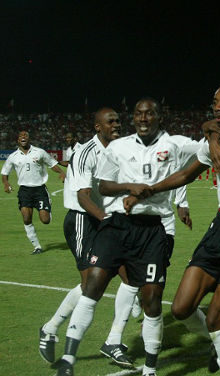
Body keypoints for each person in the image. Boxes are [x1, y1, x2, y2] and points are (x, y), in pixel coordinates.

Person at [123, 81, 220, 376]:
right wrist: (147, 190)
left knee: (216, 319)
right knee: (181, 308)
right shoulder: (216, 143)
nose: (217, 107)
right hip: (219, 228)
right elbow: (185, 174)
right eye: (215, 102)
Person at [55, 98, 200, 376]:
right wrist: (128, 188)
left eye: (149, 114)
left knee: (152, 301)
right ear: (133, 118)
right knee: (92, 285)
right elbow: (105, 186)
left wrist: (210, 130)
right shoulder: (119, 147)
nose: (143, 118)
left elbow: (204, 151)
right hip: (119, 226)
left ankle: (150, 369)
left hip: (153, 230)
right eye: (138, 114)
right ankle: (68, 361)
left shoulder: (176, 143)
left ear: (159, 117)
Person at [39, 108, 141, 369]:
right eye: (111, 121)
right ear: (98, 127)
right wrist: (106, 219)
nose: (117, 124)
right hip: (83, 219)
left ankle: (113, 340)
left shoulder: (119, 149)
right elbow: (84, 195)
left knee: (130, 277)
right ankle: (50, 328)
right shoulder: (85, 152)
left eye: (118, 120)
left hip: (105, 218)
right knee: (90, 286)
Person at [1, 131, 66, 254]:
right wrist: (6, 183)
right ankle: (37, 247)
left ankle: (48, 207)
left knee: (45, 220)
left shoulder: (39, 152)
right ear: (18, 140)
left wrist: (61, 172)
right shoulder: (13, 156)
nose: (23, 137)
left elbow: (52, 164)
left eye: (26, 135)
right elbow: (5, 173)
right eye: (21, 136)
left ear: (29, 139)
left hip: (39, 189)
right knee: (26, 218)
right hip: (24, 191)